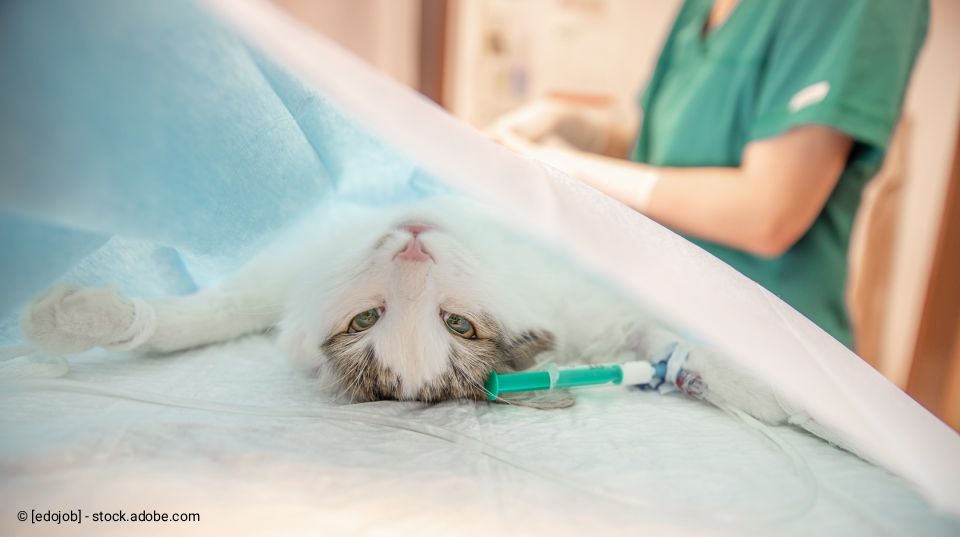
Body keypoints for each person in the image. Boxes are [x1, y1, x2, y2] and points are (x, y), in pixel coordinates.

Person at [492, 0, 929, 348]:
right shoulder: (701, 9)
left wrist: (573, 170)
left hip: (766, 352)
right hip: (658, 321)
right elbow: (668, 153)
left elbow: (767, 214)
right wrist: (582, 130)